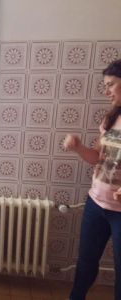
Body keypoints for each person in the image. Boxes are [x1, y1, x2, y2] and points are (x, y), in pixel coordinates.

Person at [64, 59, 121, 300]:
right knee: (86, 263)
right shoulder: (111, 119)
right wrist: (78, 147)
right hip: (96, 203)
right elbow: (98, 157)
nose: (106, 91)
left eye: (111, 85)